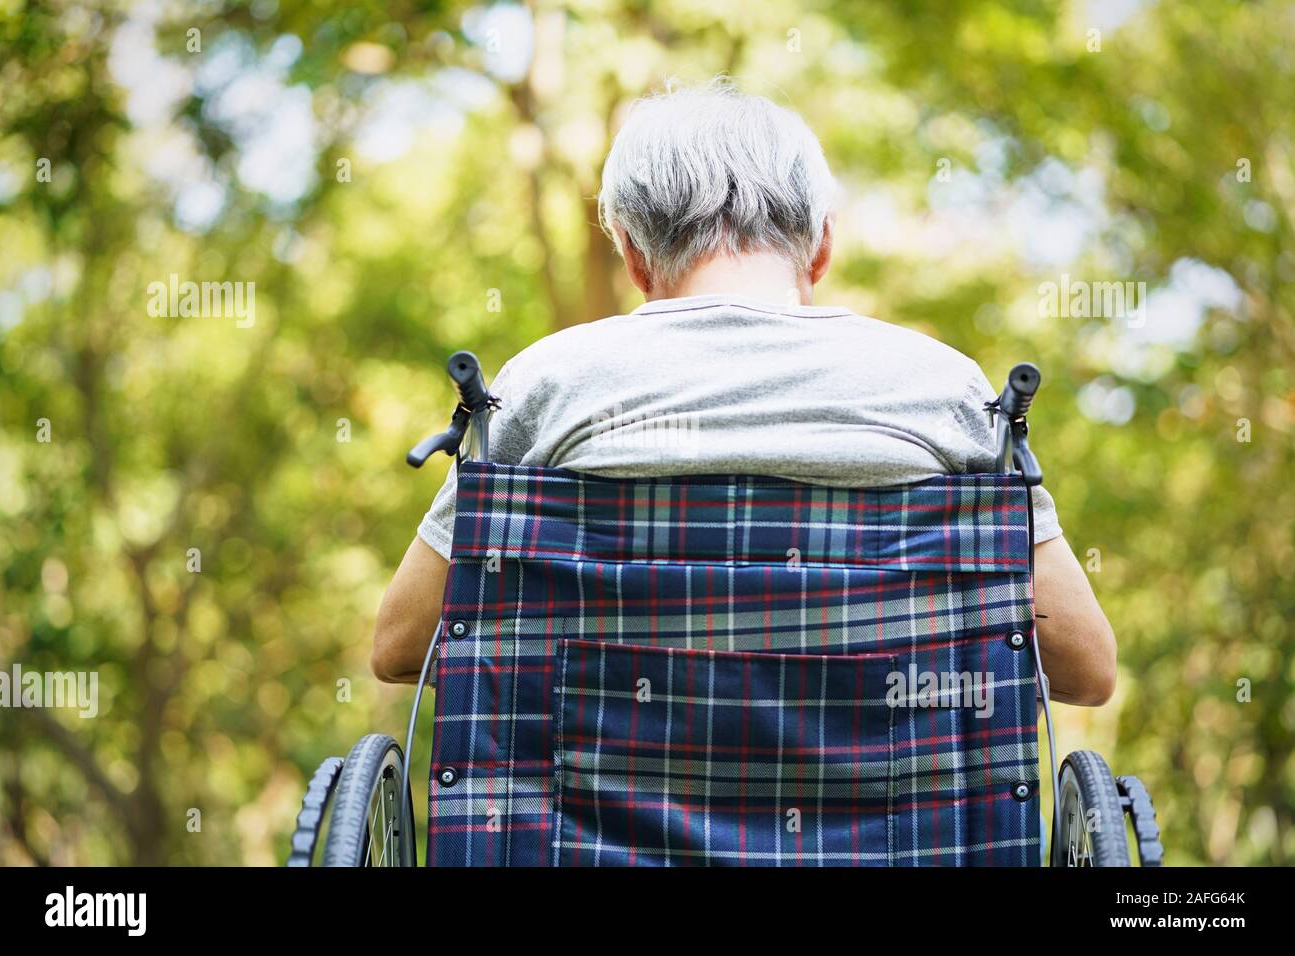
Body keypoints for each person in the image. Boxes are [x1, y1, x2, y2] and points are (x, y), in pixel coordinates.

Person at [371, 80, 1117, 706]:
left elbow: (402, 645)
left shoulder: (548, 385)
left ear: (632, 254)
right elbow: (1084, 667)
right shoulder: (943, 392)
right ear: (822, 245)